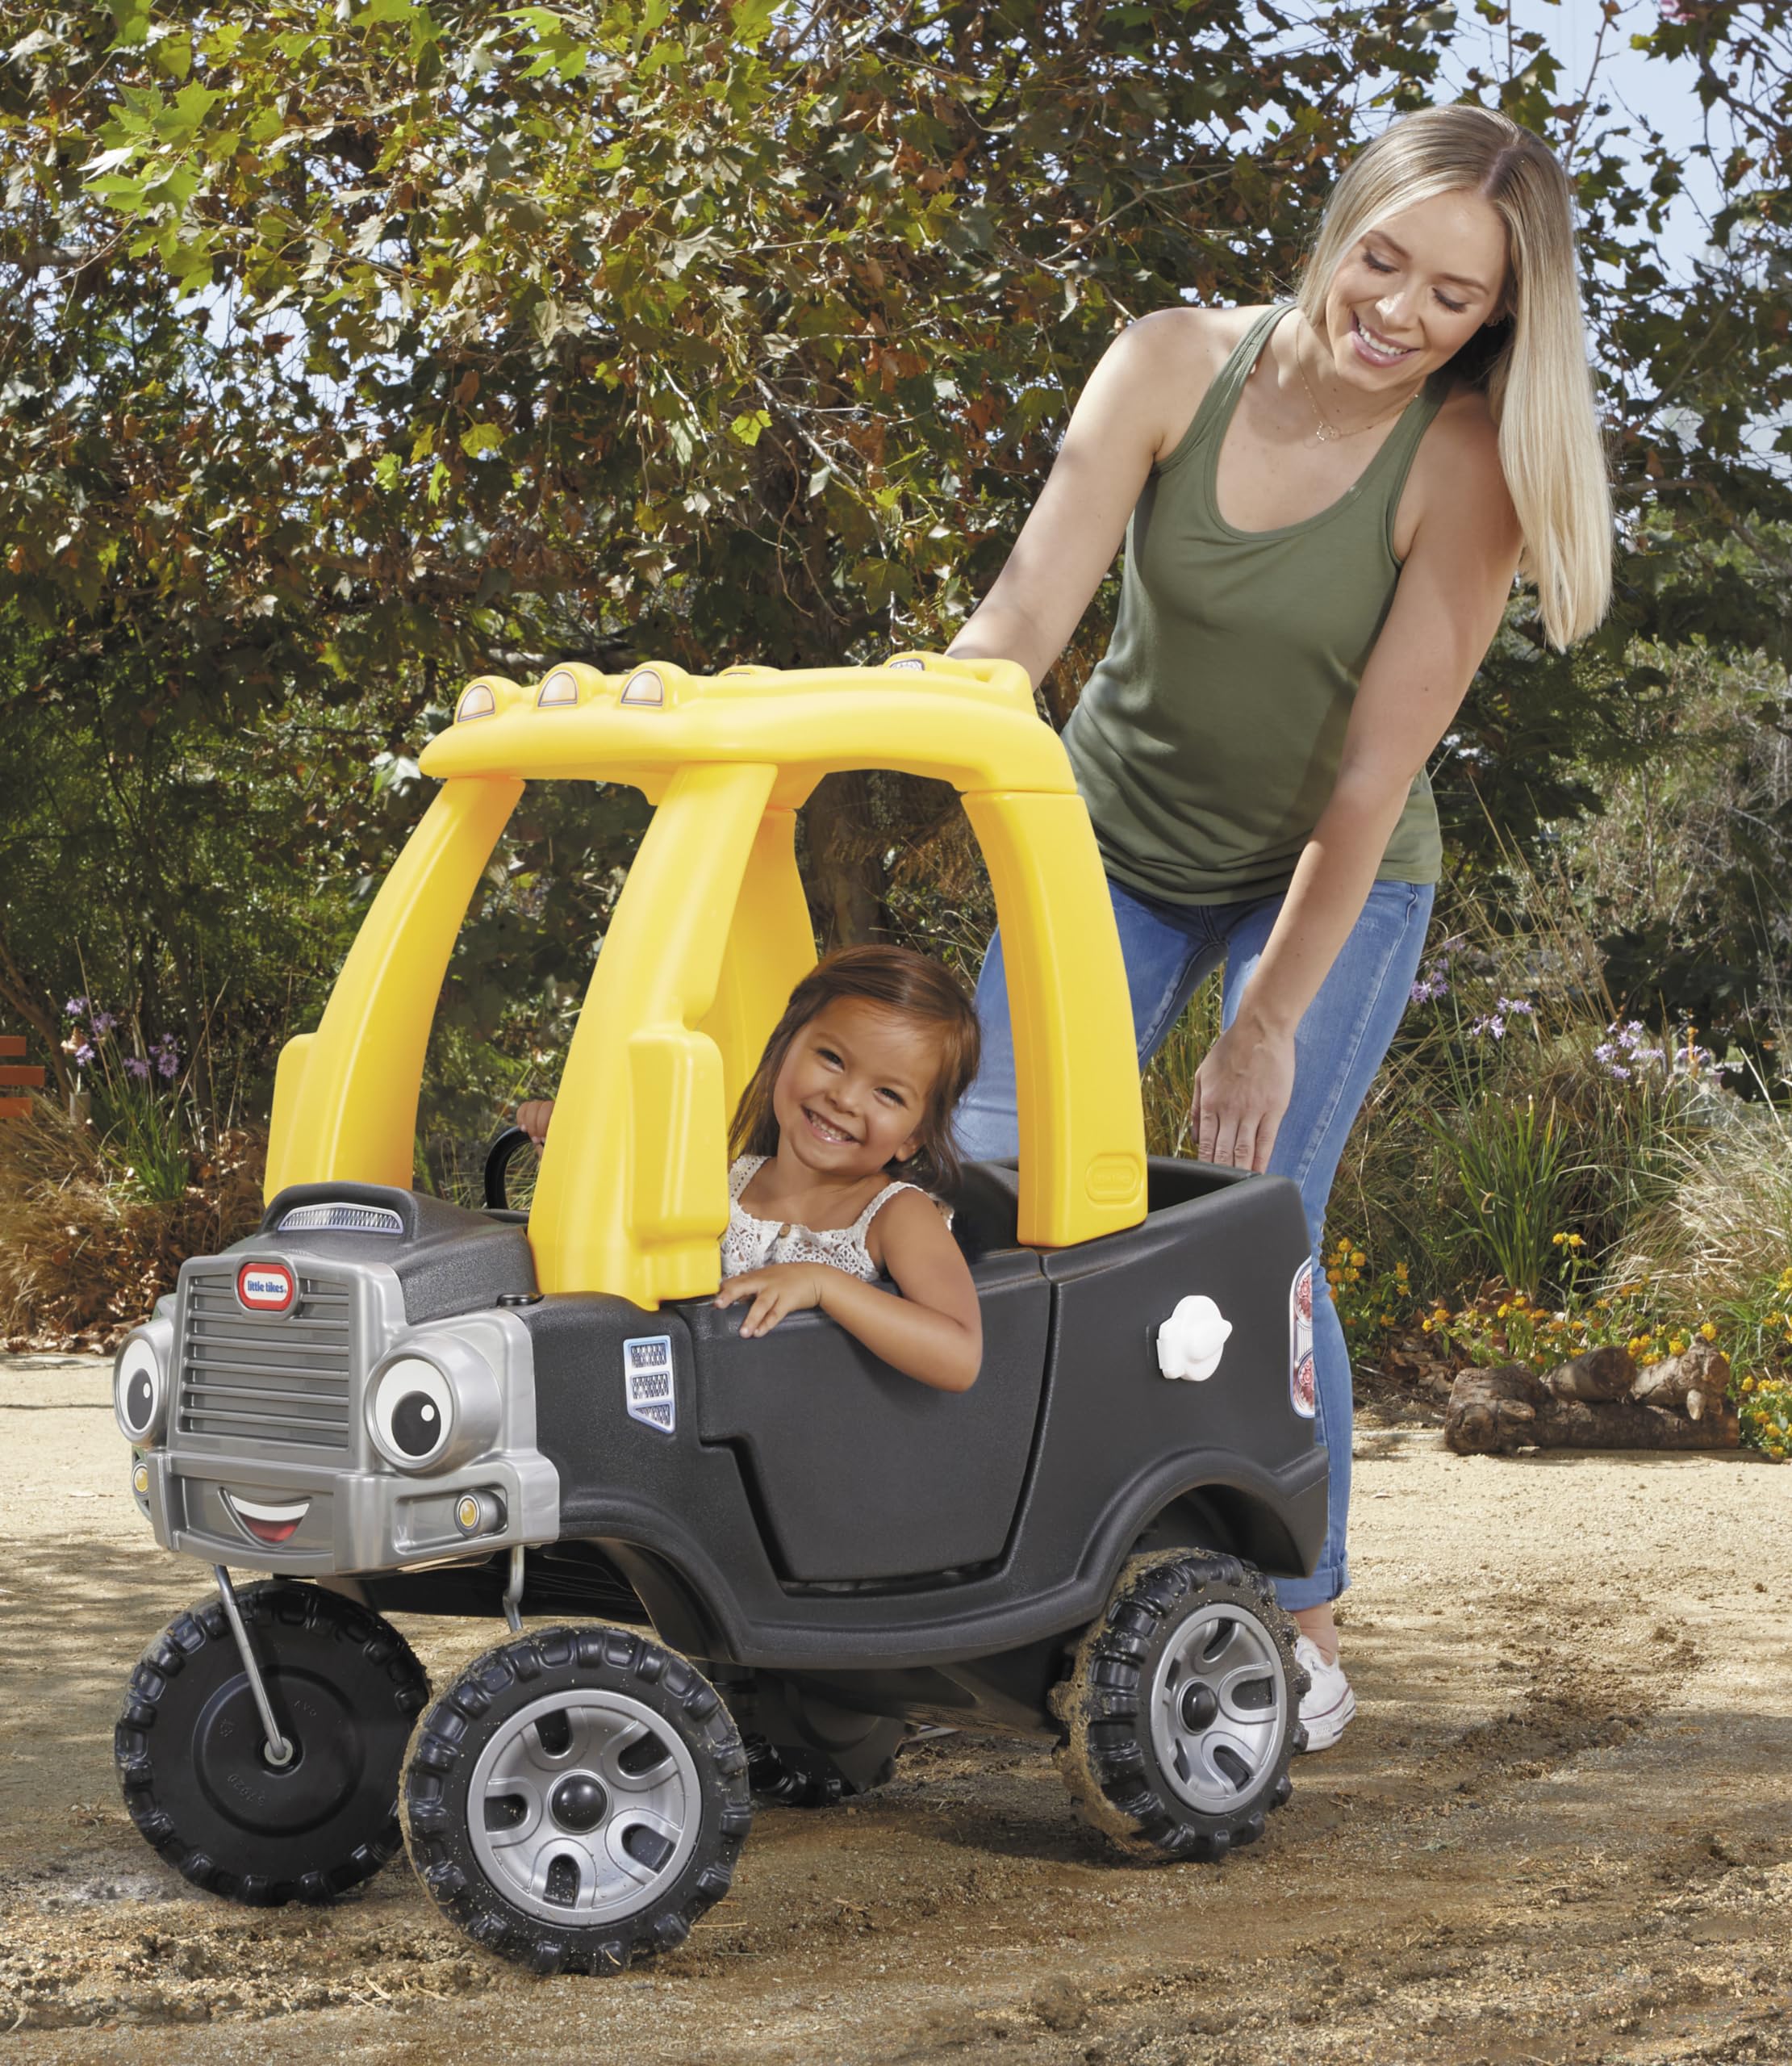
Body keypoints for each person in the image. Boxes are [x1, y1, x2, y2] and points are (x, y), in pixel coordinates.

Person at [948, 104, 1613, 1749]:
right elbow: (1029, 607)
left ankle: (1299, 1615)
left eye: (1453, 300)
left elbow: (1370, 781)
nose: (1399, 310)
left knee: (1258, 1223)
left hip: (1334, 874)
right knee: (981, 1161)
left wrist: (1265, 1021)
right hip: (1110, 838)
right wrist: (914, 708)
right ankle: (972, 1561)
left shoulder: (1460, 470)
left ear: (1494, 323)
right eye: (1384, 258)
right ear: (1340, 223)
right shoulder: (1173, 360)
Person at [517, 946, 984, 1391]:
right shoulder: (718, 1180)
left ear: (913, 1136)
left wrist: (823, 1285)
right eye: (832, 1059)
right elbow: (621, 1220)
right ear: (784, 1049)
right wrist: (570, 1144)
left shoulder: (894, 1216)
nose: (844, 1098)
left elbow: (959, 1354)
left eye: (888, 1094)